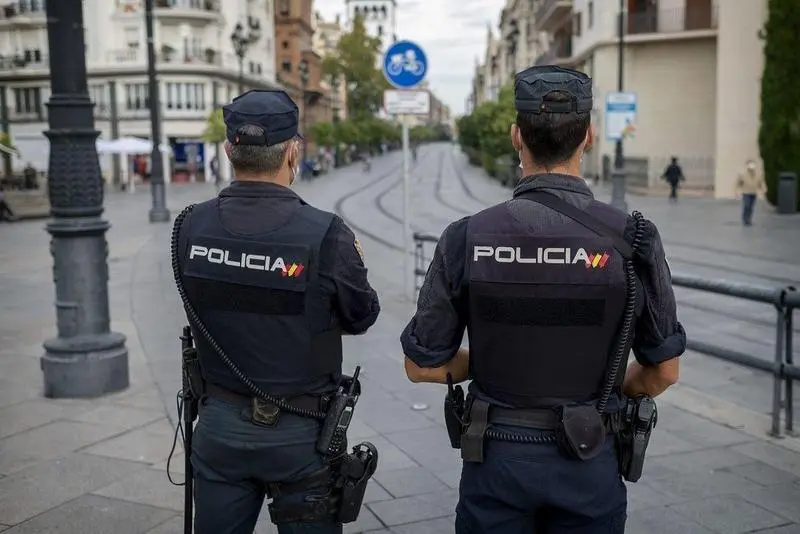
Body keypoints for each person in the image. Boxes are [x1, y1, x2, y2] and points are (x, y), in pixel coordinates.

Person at [400, 66, 686, 534]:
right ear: (589, 136)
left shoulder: (466, 237)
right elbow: (664, 371)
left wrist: (487, 362)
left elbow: (422, 366)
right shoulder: (632, 237)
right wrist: (609, 383)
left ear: (517, 136)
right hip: (590, 458)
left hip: (495, 459)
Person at [172, 89, 381, 534]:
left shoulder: (189, 225)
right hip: (302, 434)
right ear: (293, 152)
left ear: (230, 150)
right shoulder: (327, 232)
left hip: (218, 425)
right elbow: (362, 316)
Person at [736, 158, 765, 226]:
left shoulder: (758, 174)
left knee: (751, 206)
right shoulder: (742, 174)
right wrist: (737, 191)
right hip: (746, 192)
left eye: (753, 164)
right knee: (747, 205)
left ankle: (749, 219)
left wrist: (763, 189)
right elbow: (738, 183)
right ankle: (745, 218)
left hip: (753, 192)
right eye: (750, 164)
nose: (752, 166)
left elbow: (761, 182)